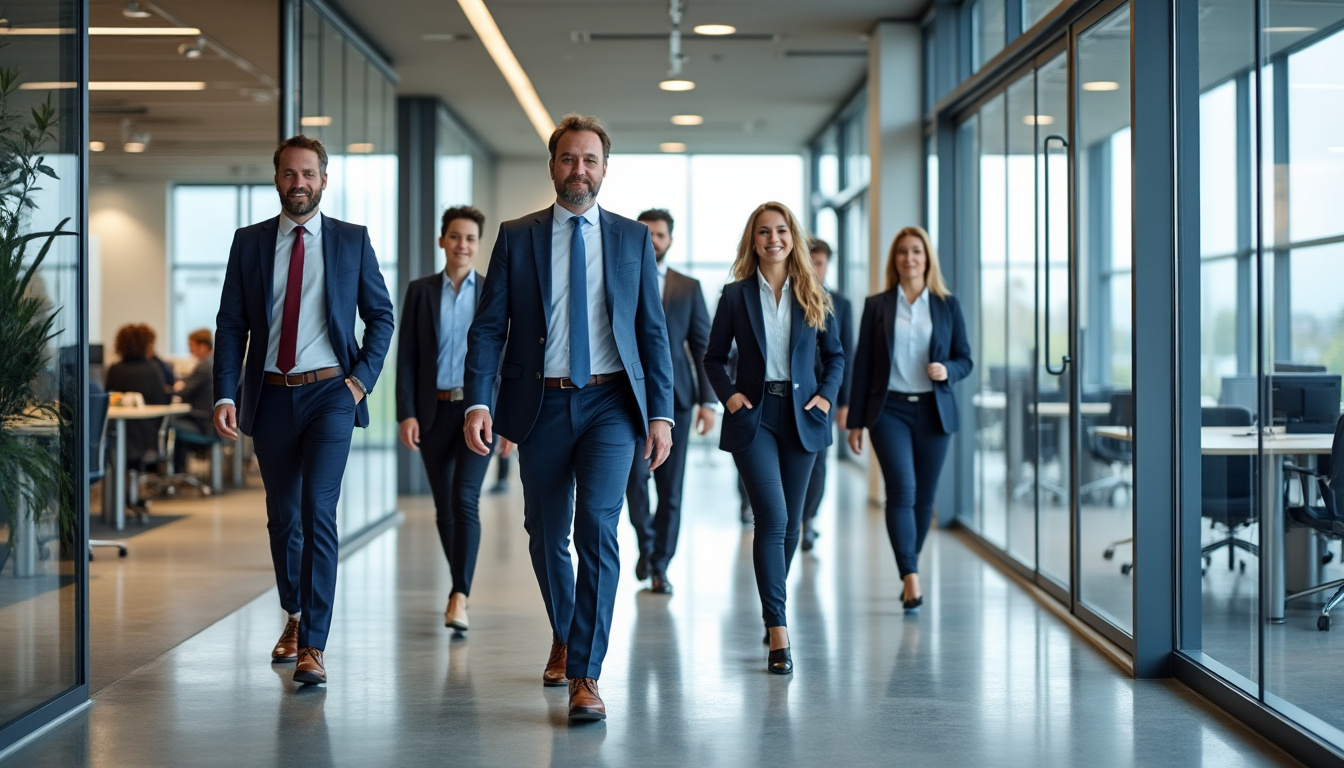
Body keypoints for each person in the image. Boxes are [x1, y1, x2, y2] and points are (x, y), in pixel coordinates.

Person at [462, 114, 674, 723]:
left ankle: (585, 673)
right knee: (545, 531)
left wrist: (660, 413)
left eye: (590, 160)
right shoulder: (517, 236)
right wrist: (479, 401)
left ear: (605, 169)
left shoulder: (632, 238)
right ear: (552, 165)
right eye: (568, 159)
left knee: (597, 529)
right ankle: (564, 630)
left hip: (611, 404)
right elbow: (489, 328)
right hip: (542, 403)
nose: (579, 170)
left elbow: (652, 332)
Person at [213, 135, 395, 686]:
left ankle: (313, 644)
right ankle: (294, 613)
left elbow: (381, 316)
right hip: (270, 394)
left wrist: (360, 382)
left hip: (330, 396)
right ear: (277, 179)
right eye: (290, 173)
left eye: (308, 174)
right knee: (283, 516)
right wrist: (225, 393)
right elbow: (231, 325)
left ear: (323, 180)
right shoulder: (248, 243)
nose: (299, 183)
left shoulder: (351, 241)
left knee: (319, 510)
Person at [703, 202, 845, 675]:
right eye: (763, 232)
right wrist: (730, 397)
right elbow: (713, 357)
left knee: (792, 525)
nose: (773, 239)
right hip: (755, 416)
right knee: (773, 517)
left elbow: (836, 356)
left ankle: (772, 604)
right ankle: (779, 629)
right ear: (754, 240)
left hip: (803, 416)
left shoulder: (814, 292)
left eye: (781, 230)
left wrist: (825, 398)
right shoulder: (735, 295)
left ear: (792, 237)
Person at [845, 226, 972, 613]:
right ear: (894, 259)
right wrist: (854, 421)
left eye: (916, 251)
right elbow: (862, 365)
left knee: (924, 499)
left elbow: (965, 359)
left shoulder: (947, 305)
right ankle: (911, 576)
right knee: (901, 490)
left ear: (927, 258)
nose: (909, 258)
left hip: (934, 411)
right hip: (889, 411)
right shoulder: (877, 305)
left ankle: (908, 567)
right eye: (902, 251)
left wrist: (947, 370)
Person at [395, 205, 495, 633]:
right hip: (433, 411)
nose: (462, 245)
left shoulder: (491, 291)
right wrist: (406, 413)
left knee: (465, 498)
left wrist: (507, 420)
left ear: (478, 244)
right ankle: (459, 589)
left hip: (478, 413)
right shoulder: (420, 291)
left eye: (470, 238)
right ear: (442, 241)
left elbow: (505, 357)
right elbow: (407, 357)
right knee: (444, 507)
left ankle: (460, 594)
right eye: (455, 236)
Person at [624, 208, 715, 595]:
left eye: (660, 234)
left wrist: (708, 402)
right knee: (634, 481)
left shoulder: (688, 287)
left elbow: (703, 345)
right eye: (646, 233)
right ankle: (647, 544)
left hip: (676, 400)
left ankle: (660, 564)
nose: (653, 240)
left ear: (670, 240)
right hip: (627, 398)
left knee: (670, 489)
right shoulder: (620, 278)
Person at [800, 238, 854, 552]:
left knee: (819, 461)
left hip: (825, 394)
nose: (814, 269)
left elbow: (846, 354)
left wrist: (842, 402)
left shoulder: (840, 303)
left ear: (827, 265)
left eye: (819, 263)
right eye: (809, 262)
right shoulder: (790, 295)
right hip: (794, 390)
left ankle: (808, 520)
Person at [105, 323, 171, 466]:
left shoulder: (115, 369)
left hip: (119, 435)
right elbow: (162, 401)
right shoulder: (153, 368)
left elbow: (109, 400)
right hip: (149, 435)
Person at [172, 328, 215, 473]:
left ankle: (176, 472)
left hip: (202, 423)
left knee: (168, 424)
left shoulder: (204, 366)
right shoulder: (212, 362)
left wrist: (177, 387)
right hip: (209, 420)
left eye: (191, 345)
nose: (189, 350)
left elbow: (184, 392)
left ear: (202, 346)